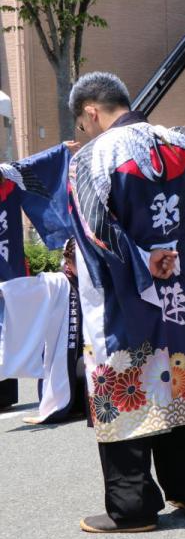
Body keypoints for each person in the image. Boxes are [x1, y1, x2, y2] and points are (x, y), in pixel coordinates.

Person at [67, 71, 185, 533]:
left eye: (81, 124)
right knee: (177, 377)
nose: (82, 133)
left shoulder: (92, 157)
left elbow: (95, 230)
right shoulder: (178, 140)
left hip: (125, 295)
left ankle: (131, 506)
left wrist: (142, 261)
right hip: (177, 294)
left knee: (125, 380)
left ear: (91, 111)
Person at [0, 141, 74, 412]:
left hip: (9, 269)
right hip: (10, 269)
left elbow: (35, 165)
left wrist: (61, 150)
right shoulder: (8, 176)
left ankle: (5, 393)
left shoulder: (7, 177)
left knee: (11, 325)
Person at [0, 238, 88, 424]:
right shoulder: (57, 281)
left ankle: (82, 406)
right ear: (68, 261)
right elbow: (30, 288)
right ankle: (64, 406)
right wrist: (5, 290)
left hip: (87, 346)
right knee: (66, 368)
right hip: (62, 345)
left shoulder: (92, 279)